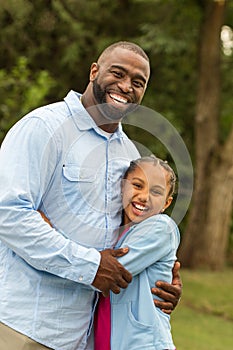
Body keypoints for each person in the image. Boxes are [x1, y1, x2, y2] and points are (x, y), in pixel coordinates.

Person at [0, 41, 182, 350]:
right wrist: (90, 265)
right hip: (25, 326)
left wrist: (158, 279)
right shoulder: (43, 128)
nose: (126, 86)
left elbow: (124, 238)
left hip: (85, 336)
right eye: (118, 73)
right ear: (94, 71)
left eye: (138, 83)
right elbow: (9, 214)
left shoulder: (129, 155)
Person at [94, 155, 179, 350]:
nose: (144, 196)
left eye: (156, 192)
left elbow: (110, 271)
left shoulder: (161, 228)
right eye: (138, 185)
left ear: (166, 203)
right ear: (123, 187)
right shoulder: (115, 231)